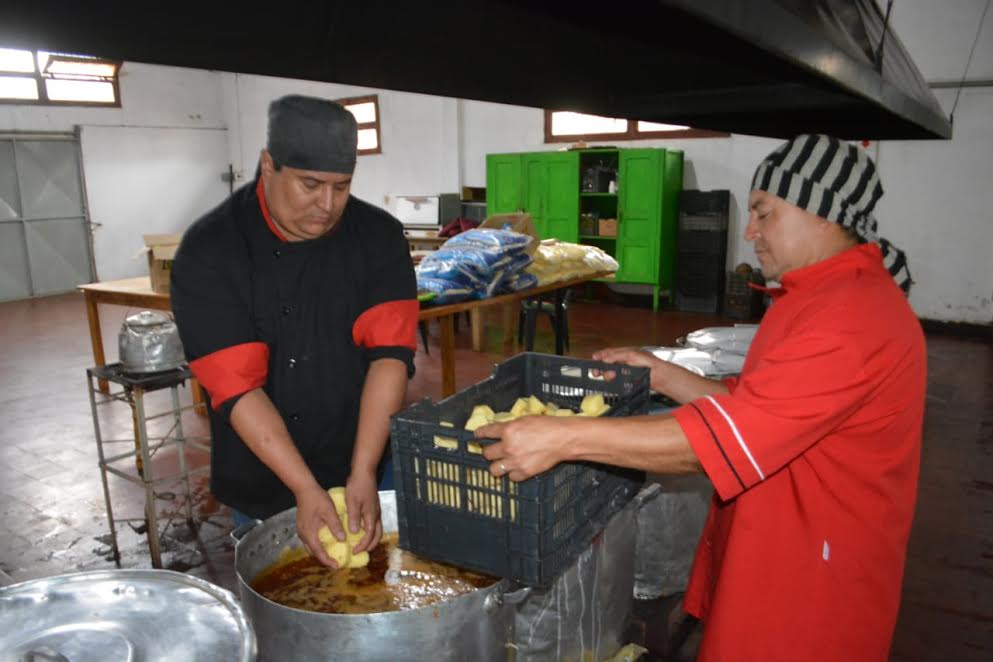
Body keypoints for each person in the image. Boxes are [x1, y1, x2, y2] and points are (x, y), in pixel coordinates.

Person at [478, 134, 925, 660]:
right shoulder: (818, 297)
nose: (751, 231)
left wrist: (562, 437)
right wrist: (665, 375)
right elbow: (763, 407)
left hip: (811, 587)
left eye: (764, 212)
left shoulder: (850, 318)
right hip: (780, 550)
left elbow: (729, 441)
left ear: (820, 213)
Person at [170, 94, 418, 567]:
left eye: (342, 187)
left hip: (361, 449)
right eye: (310, 185)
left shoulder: (377, 237)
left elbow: (390, 356)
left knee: (379, 586)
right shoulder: (212, 250)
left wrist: (364, 469)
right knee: (283, 597)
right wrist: (304, 488)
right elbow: (237, 388)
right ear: (268, 165)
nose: (327, 206)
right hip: (264, 476)